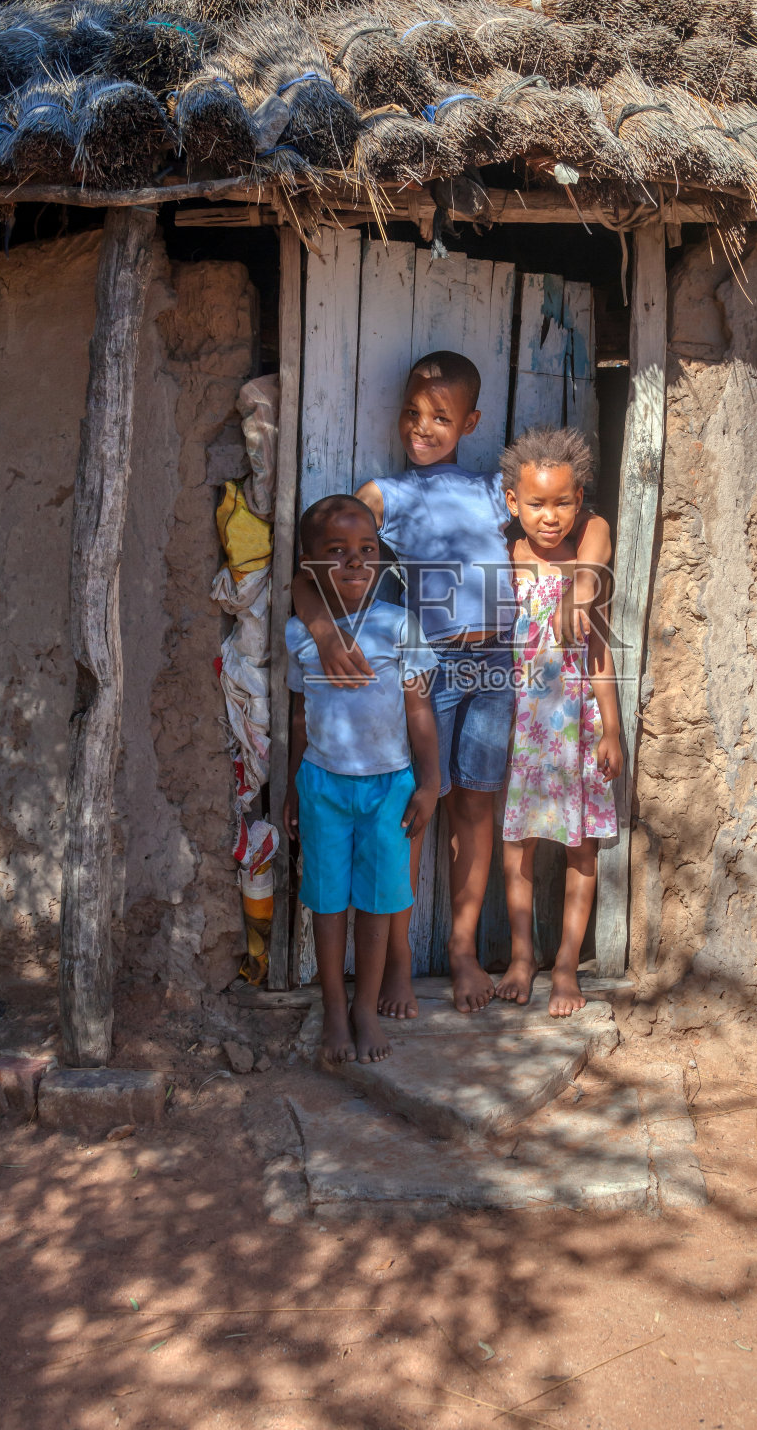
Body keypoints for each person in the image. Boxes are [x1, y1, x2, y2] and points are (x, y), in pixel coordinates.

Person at [291, 352, 612, 1017]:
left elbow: (593, 523)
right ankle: (399, 966)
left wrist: (584, 580)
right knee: (417, 808)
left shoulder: (492, 490)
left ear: (469, 422)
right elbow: (310, 569)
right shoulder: (386, 494)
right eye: (412, 412)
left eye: (440, 416)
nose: (422, 426)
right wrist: (323, 633)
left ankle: (462, 951)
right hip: (431, 667)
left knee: (474, 807)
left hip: (496, 666)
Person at [282, 495, 440, 1064]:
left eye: (367, 549)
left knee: (377, 904)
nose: (355, 561)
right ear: (309, 565)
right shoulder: (301, 634)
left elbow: (420, 710)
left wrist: (429, 782)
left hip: (388, 787)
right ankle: (334, 1008)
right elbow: (300, 717)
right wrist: (293, 787)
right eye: (337, 551)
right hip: (323, 785)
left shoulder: (398, 625)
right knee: (327, 904)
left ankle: (365, 1008)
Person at [495, 426, 622, 1018]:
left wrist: (612, 729)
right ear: (513, 502)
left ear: (580, 501)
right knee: (517, 844)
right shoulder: (507, 558)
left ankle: (567, 965)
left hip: (576, 727)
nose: (550, 517)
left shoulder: (583, 563)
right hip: (522, 725)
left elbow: (599, 652)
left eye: (563, 503)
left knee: (581, 848)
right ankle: (523, 957)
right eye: (537, 504)